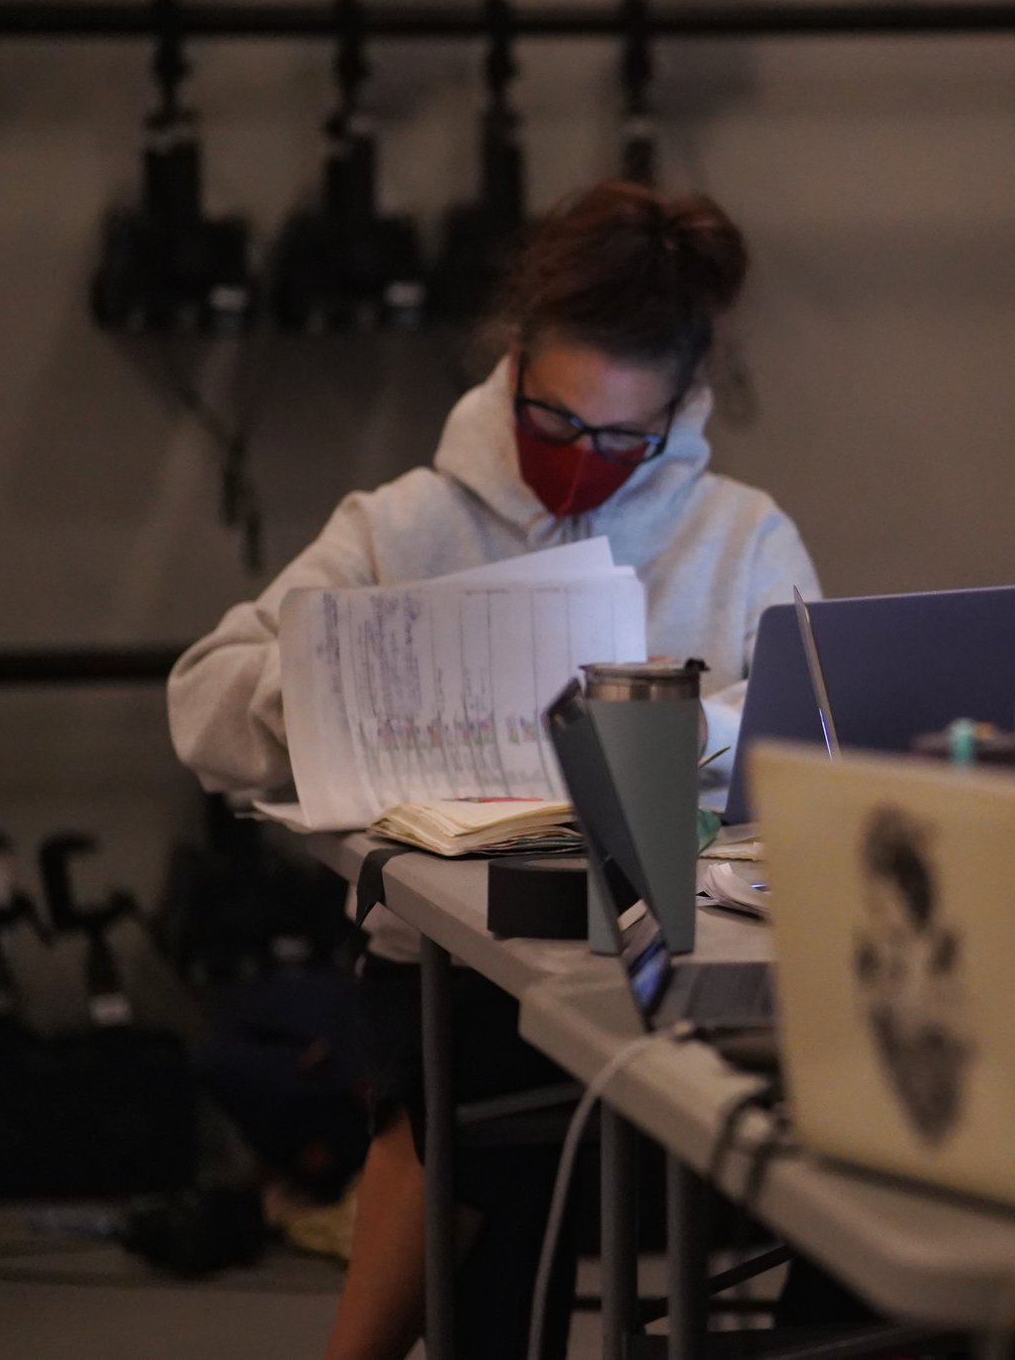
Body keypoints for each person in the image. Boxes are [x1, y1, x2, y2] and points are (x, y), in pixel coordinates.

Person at [169, 181, 819, 1360]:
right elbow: (204, 699)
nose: (583, 464)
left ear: (680, 410)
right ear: (511, 362)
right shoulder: (405, 523)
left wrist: (677, 734)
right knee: (478, 1090)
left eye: (624, 439)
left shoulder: (743, 537)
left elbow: (807, 740)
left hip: (671, 945)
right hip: (455, 964)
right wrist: (344, 685)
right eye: (556, 424)